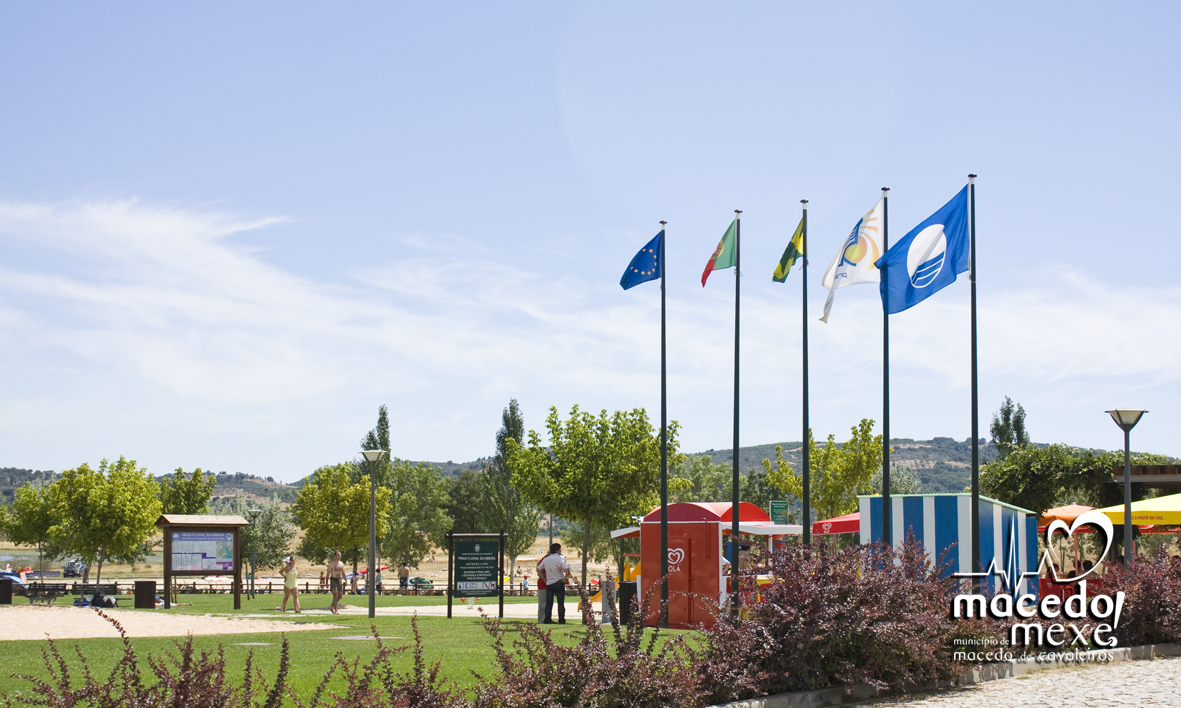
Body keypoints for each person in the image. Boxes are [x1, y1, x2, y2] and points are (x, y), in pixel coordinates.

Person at [537, 542, 572, 624]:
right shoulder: (561, 559)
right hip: (559, 581)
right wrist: (565, 578)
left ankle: (547, 619)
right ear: (557, 550)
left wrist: (544, 578)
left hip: (549, 582)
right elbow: (566, 569)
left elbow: (539, 569)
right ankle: (561, 619)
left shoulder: (546, 559)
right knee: (560, 603)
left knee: (549, 603)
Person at [327, 550, 347, 614]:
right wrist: (326, 582)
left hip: (339, 579)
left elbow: (343, 573)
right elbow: (328, 574)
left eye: (340, 555)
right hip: (333, 579)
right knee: (335, 594)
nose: (340, 556)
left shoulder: (341, 564)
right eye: (338, 555)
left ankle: (331, 606)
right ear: (335, 556)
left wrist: (346, 580)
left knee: (340, 595)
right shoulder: (331, 564)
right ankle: (336, 610)